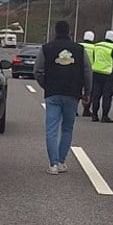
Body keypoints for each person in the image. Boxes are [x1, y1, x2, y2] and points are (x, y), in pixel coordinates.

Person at [34, 20, 92, 175]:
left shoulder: (46, 49)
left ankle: (52, 164)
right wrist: (87, 92)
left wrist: (46, 85)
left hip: (53, 92)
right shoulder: (79, 50)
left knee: (51, 129)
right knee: (67, 128)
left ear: (55, 31)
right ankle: (61, 161)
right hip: (72, 93)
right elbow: (87, 72)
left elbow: (38, 70)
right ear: (69, 32)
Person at [90, 29, 113, 122]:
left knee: (96, 95)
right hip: (108, 74)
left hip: (96, 73)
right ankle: (104, 116)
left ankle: (94, 115)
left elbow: (93, 57)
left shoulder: (97, 45)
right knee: (107, 96)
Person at [78, 30, 96, 116]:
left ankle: (74, 110)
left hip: (78, 71)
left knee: (77, 90)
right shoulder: (94, 48)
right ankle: (86, 110)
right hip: (90, 72)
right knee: (89, 91)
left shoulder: (79, 46)